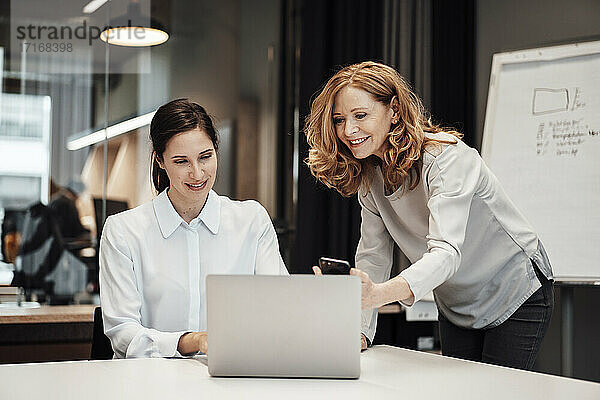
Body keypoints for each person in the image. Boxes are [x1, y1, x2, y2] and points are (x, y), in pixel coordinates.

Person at [306, 61, 554, 370]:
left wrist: (379, 294)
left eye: (360, 116)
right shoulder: (369, 178)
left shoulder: (448, 159)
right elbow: (373, 256)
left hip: (515, 287)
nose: (348, 130)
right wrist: (359, 330)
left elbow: (446, 253)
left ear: (394, 110)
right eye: (339, 119)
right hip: (457, 302)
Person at [100, 99, 288, 359]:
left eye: (205, 157)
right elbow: (123, 334)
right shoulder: (123, 231)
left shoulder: (251, 221)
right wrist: (192, 341)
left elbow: (278, 309)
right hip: (151, 384)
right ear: (160, 161)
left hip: (232, 380)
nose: (197, 173)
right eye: (181, 162)